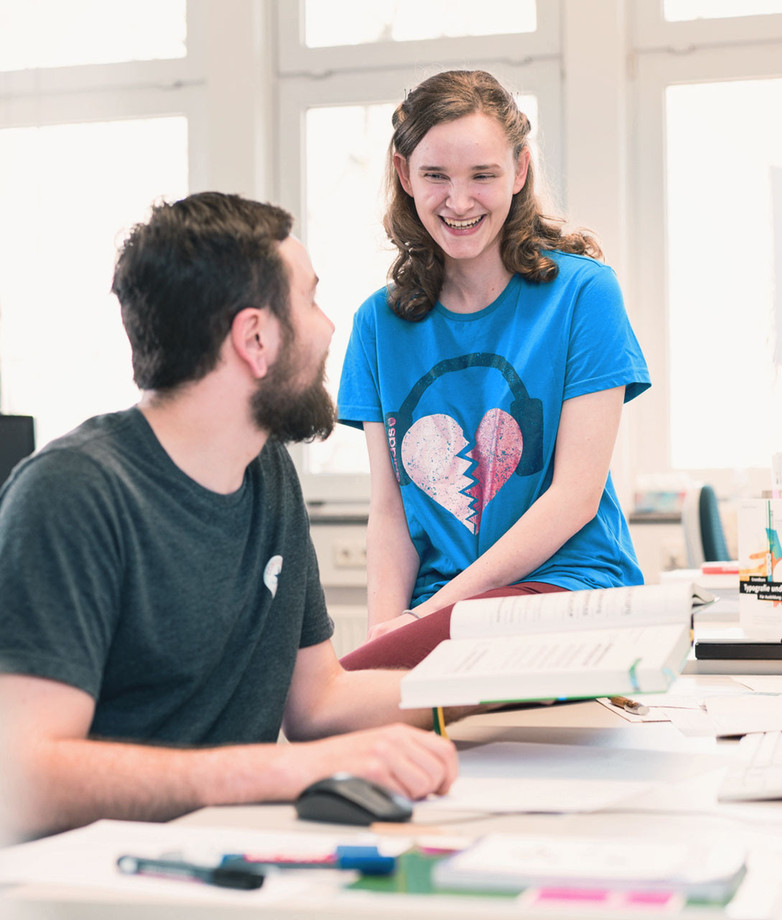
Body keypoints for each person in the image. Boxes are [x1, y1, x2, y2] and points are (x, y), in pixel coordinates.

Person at [0, 192, 457, 841]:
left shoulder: (267, 475)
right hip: (101, 877)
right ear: (255, 338)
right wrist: (280, 771)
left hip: (231, 853)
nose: (329, 328)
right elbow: (20, 777)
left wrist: (508, 684)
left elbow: (318, 700)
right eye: (311, 300)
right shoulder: (72, 494)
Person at [337, 70, 650, 671]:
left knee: (335, 706)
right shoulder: (377, 325)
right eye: (435, 176)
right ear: (404, 175)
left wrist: (428, 619)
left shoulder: (583, 294)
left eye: (483, 175)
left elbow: (576, 498)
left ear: (520, 170)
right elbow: (389, 511)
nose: (459, 202)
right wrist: (386, 638)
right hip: (440, 613)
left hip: (567, 588)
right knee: (348, 695)